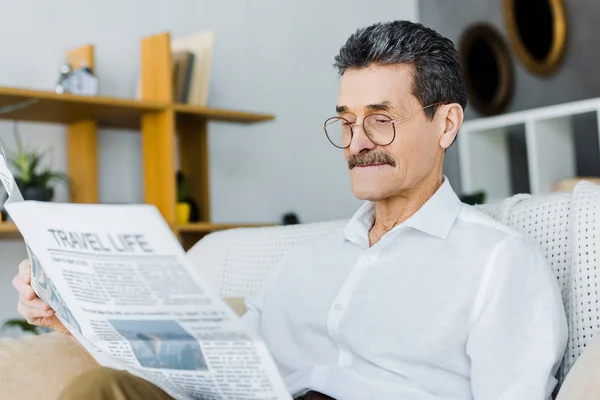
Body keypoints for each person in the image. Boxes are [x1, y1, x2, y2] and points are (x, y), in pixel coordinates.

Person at [12, 20, 568, 400]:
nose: (357, 143)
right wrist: (74, 319)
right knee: (101, 390)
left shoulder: (499, 262)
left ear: (445, 123)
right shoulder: (307, 261)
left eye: (380, 118)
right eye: (346, 121)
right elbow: (213, 371)